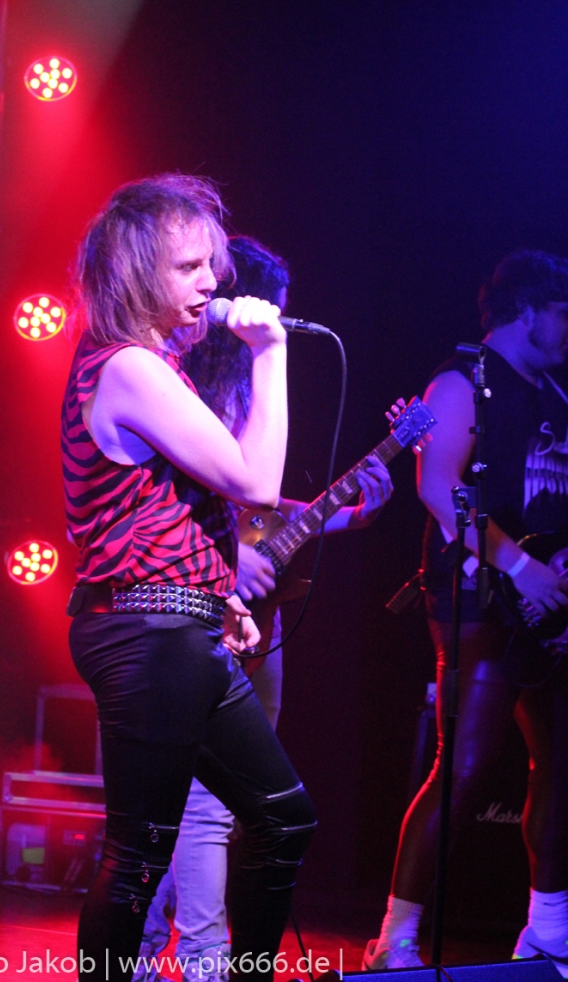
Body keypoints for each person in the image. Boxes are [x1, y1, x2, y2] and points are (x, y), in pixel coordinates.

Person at [61, 175, 318, 982]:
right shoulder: (128, 367)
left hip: (176, 623)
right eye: (189, 267)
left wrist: (215, 592)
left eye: (212, 265)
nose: (212, 282)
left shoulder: (153, 368)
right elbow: (256, 485)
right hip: (146, 632)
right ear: (138, 274)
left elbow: (160, 509)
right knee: (138, 853)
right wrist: (271, 354)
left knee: (282, 820)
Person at [136, 236, 394, 982]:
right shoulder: (171, 379)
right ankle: (193, 956)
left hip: (242, 612)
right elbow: (175, 498)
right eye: (268, 304)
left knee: (212, 799)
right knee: (183, 801)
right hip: (182, 603)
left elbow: (255, 505)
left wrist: (342, 516)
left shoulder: (248, 386)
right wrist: (223, 561)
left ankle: (168, 951)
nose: (277, 318)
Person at [362, 250, 568, 974]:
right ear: (526, 311)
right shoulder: (461, 381)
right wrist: (520, 566)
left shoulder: (554, 396)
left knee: (560, 762)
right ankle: (395, 939)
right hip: (479, 599)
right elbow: (439, 487)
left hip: (549, 605)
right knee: (466, 764)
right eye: (562, 313)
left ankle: (548, 930)